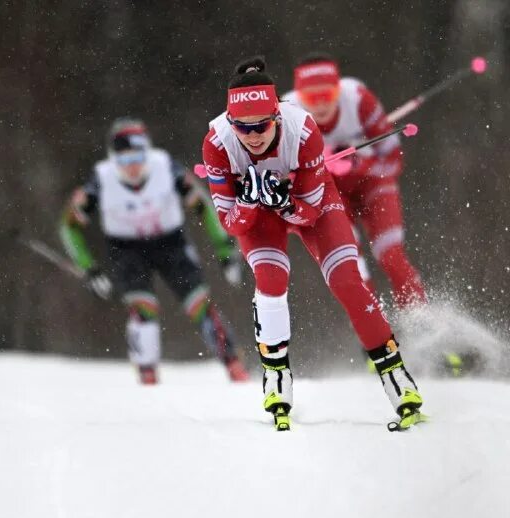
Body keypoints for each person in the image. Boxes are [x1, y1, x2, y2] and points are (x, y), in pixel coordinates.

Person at [201, 57, 425, 431]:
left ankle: (397, 379)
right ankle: (276, 380)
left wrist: (285, 200)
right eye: (243, 127)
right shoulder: (217, 142)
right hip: (259, 215)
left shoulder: (302, 129)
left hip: (311, 204)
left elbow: (309, 212)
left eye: (261, 125)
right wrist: (250, 201)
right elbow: (229, 222)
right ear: (231, 122)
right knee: (271, 281)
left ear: (276, 116)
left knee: (347, 282)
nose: (253, 136)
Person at [60, 118, 248, 385]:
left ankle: (234, 365)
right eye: (124, 160)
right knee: (143, 310)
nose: (133, 166)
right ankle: (147, 375)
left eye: (138, 157)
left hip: (170, 244)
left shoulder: (165, 167)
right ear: (113, 159)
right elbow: (69, 227)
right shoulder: (100, 179)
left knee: (200, 305)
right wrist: (88, 267)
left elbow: (204, 207)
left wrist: (225, 249)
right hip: (126, 250)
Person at [282, 53, 426, 309]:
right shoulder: (288, 116)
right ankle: (378, 332)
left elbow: (394, 161)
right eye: (311, 98)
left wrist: (360, 163)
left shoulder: (359, 100)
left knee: (391, 255)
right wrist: (317, 169)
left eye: (327, 95)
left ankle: (423, 321)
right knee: (352, 266)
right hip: (330, 195)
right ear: (300, 97)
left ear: (338, 90)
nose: (321, 105)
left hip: (372, 185)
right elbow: (286, 179)